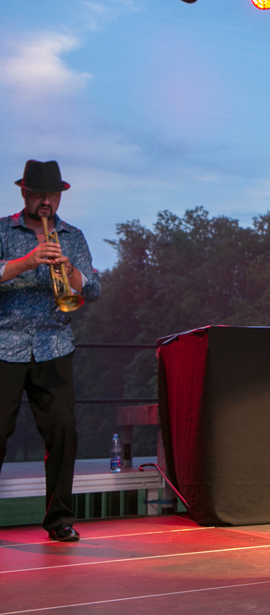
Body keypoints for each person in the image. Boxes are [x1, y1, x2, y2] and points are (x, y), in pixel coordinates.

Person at [0, 160, 101, 542]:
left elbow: (93, 289)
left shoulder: (72, 236)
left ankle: (59, 519)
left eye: (53, 195)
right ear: (24, 193)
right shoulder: (2, 230)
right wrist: (25, 262)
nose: (46, 202)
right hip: (4, 344)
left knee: (63, 431)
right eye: (39, 194)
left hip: (54, 344)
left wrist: (71, 271)